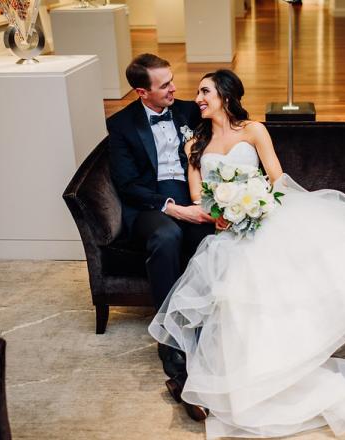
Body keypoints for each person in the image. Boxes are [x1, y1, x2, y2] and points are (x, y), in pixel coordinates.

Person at [148, 69, 345, 438]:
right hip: (228, 230)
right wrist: (221, 212)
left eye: (205, 91)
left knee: (313, 239)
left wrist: (259, 204)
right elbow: (199, 196)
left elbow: (276, 176)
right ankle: (286, 361)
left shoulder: (254, 130)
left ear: (226, 96)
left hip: (265, 211)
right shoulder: (194, 145)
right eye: (199, 92)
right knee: (250, 279)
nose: (197, 98)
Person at [106, 53, 215, 421]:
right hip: (152, 207)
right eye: (164, 84)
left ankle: (215, 334)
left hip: (194, 193)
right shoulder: (121, 125)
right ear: (141, 91)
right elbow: (127, 184)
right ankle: (172, 349)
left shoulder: (189, 111)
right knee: (167, 236)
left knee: (217, 238)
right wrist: (174, 208)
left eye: (172, 79)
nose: (174, 88)